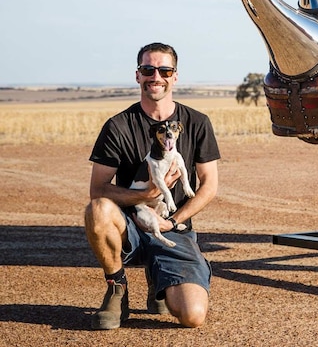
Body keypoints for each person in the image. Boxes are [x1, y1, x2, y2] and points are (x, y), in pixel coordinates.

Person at [84, 42, 220, 329]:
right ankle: (116, 288)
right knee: (97, 210)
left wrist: (172, 222)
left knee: (192, 316)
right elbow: (98, 189)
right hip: (131, 222)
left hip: (174, 225)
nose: (156, 76)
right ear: (138, 75)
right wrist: (145, 194)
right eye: (148, 69)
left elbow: (209, 185)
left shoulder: (196, 122)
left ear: (175, 76)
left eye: (164, 70)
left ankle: (159, 280)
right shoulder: (118, 125)